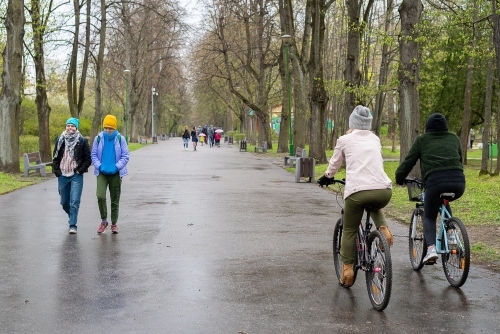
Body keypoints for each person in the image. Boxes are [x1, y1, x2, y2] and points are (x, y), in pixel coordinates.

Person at [317, 106, 393, 288]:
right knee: (374, 204)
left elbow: (335, 163)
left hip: (358, 191)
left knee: (349, 230)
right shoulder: (375, 139)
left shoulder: (344, 140)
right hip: (383, 190)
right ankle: (384, 230)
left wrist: (327, 177)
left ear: (352, 123)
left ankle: (348, 271)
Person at [395, 113, 465, 263]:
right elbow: (460, 158)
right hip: (459, 182)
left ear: (427, 128)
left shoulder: (422, 140)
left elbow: (409, 161)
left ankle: (431, 249)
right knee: (444, 201)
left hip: (435, 182)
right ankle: (451, 233)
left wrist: (399, 177)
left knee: (429, 215)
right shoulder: (454, 138)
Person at [91, 114, 130, 234]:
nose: (108, 130)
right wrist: (100, 166)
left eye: (110, 128)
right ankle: (104, 221)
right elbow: (93, 155)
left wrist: (116, 167)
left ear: (115, 128)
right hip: (102, 172)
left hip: (115, 173)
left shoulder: (120, 139)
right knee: (100, 196)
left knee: (114, 199)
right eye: (106, 127)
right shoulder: (98, 138)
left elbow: (125, 156)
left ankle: (114, 223)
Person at [52, 117, 92, 234]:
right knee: (64, 202)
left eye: (72, 126)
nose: (70, 128)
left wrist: (80, 170)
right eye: (68, 125)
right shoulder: (60, 139)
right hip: (63, 175)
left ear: (76, 128)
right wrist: (57, 171)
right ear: (66, 127)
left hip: (76, 175)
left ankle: (73, 225)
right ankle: (72, 216)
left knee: (74, 201)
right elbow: (55, 156)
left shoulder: (82, 141)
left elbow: (87, 159)